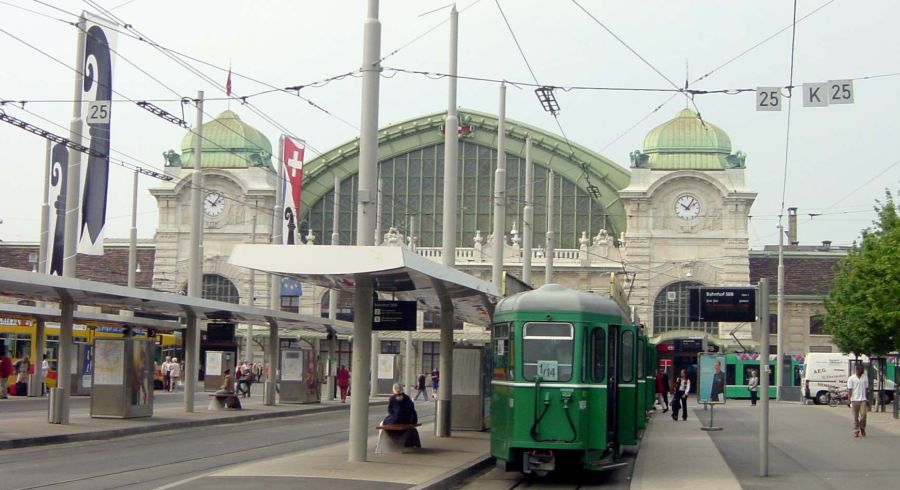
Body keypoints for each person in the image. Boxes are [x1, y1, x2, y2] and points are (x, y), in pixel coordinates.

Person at [847, 363, 869, 437]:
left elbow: (866, 389)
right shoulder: (851, 378)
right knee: (855, 416)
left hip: (863, 399)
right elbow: (849, 390)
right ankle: (856, 430)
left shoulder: (865, 377)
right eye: (856, 369)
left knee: (864, 415)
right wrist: (849, 399)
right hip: (854, 399)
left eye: (859, 369)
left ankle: (862, 427)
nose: (857, 370)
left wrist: (867, 398)